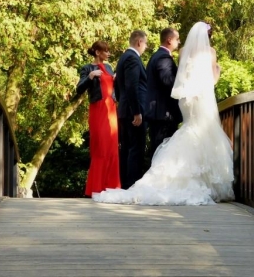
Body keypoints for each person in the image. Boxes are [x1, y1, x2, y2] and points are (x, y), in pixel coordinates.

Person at [93, 21, 235, 205]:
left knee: (189, 133)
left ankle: (150, 180)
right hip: (196, 101)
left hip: (186, 102)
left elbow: (180, 79)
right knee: (202, 134)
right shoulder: (210, 53)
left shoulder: (182, 52)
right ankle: (203, 181)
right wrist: (217, 73)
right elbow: (208, 82)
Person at [76, 41, 120, 197]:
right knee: (100, 147)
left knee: (112, 149)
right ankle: (96, 188)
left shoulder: (109, 67)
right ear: (97, 52)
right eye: (105, 51)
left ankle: (111, 188)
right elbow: (79, 89)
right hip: (98, 109)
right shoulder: (87, 68)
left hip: (112, 110)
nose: (108, 54)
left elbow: (114, 89)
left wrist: (116, 80)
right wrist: (90, 76)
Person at [114, 30, 148, 189]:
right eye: (146, 44)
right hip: (133, 113)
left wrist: (123, 104)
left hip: (124, 110)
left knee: (127, 148)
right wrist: (136, 111)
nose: (146, 47)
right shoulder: (133, 59)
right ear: (139, 42)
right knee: (136, 149)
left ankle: (126, 185)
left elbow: (118, 86)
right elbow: (131, 86)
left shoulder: (123, 58)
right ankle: (131, 185)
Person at [145, 27, 183, 160]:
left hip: (158, 113)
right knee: (162, 152)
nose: (179, 42)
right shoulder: (163, 58)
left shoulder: (156, 56)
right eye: (177, 39)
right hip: (163, 114)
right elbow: (168, 82)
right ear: (169, 40)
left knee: (158, 151)